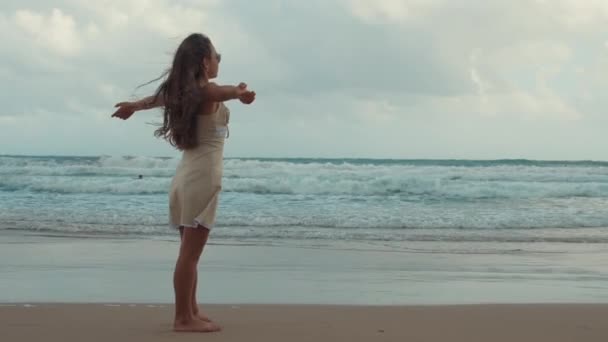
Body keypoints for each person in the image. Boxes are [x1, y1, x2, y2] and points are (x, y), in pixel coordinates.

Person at [111, 33, 255, 332]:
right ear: (205, 61)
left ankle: (191, 309)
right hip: (201, 178)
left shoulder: (183, 94)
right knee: (190, 255)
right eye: (217, 56)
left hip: (185, 178)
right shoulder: (205, 92)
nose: (218, 61)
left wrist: (133, 106)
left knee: (189, 254)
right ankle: (182, 318)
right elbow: (221, 92)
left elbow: (155, 100)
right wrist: (239, 93)